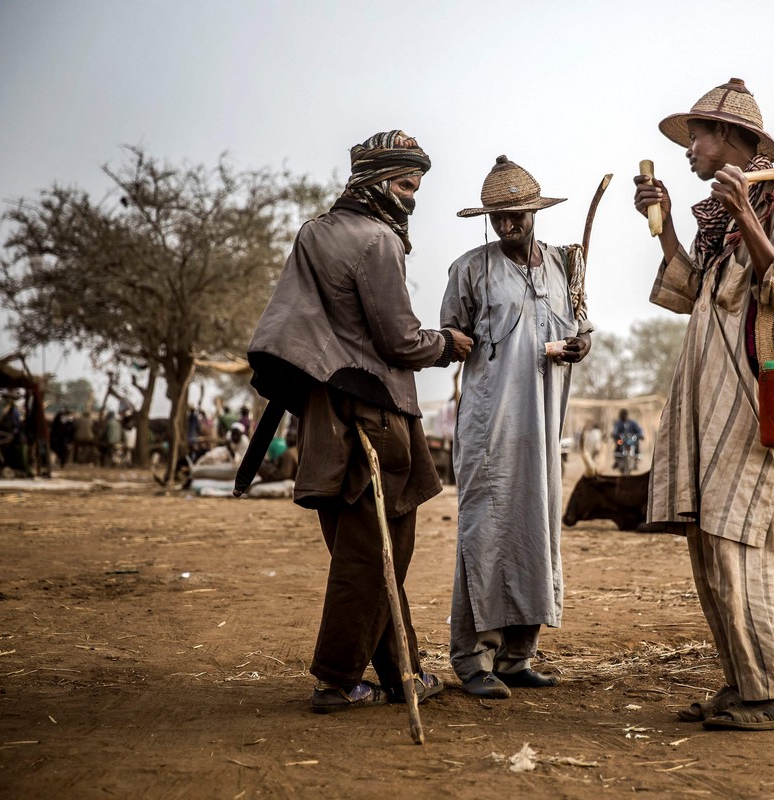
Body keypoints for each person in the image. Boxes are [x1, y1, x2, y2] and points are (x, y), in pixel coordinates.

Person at [632, 78, 774, 731]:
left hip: (757, 404)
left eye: (694, 137)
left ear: (726, 137)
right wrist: (666, 227)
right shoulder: (719, 215)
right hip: (711, 404)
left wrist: (750, 215)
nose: (687, 150)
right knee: (707, 540)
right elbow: (696, 293)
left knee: (739, 538)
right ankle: (742, 683)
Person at [245, 130, 472, 714]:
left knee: (371, 550)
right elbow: (398, 341)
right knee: (374, 554)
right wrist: (446, 342)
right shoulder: (378, 241)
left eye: (416, 186)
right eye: (403, 184)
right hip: (374, 416)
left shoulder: (313, 232)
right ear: (374, 182)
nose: (411, 198)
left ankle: (404, 676)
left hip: (324, 415)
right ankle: (338, 678)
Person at [441, 155, 592, 699]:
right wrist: (452, 342)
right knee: (485, 532)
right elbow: (448, 340)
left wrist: (580, 345)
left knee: (536, 529)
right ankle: (471, 659)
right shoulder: (469, 269)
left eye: (515, 215)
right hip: (490, 427)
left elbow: (582, 329)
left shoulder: (563, 266)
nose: (507, 225)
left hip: (544, 426)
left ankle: (516, 657)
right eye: (497, 217)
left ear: (534, 211)